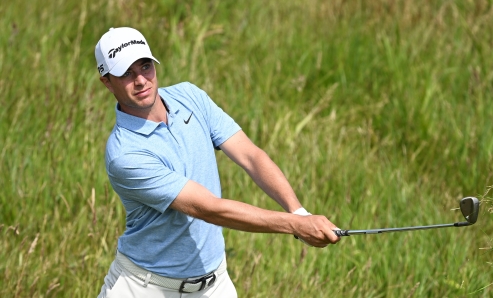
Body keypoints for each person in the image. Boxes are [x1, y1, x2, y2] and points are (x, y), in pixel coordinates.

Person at [95, 27, 340, 298]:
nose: (141, 80)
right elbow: (209, 209)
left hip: (215, 284)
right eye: (126, 73)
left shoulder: (189, 97)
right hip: (145, 287)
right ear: (107, 81)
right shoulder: (125, 154)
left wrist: (299, 213)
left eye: (145, 66)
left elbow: (250, 155)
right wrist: (295, 226)